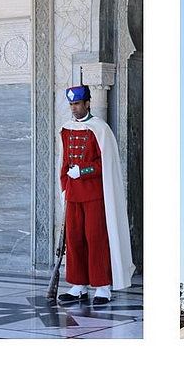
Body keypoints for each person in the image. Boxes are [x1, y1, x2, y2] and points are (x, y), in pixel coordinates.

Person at [57, 85, 134, 306]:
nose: (74, 109)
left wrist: (84, 170)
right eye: (71, 104)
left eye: (77, 104)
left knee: (95, 238)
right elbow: (64, 161)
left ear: (88, 103)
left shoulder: (99, 129)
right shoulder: (66, 128)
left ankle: (102, 286)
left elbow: (106, 163)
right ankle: (78, 284)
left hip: (94, 194)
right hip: (73, 193)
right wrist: (64, 186)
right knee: (74, 239)